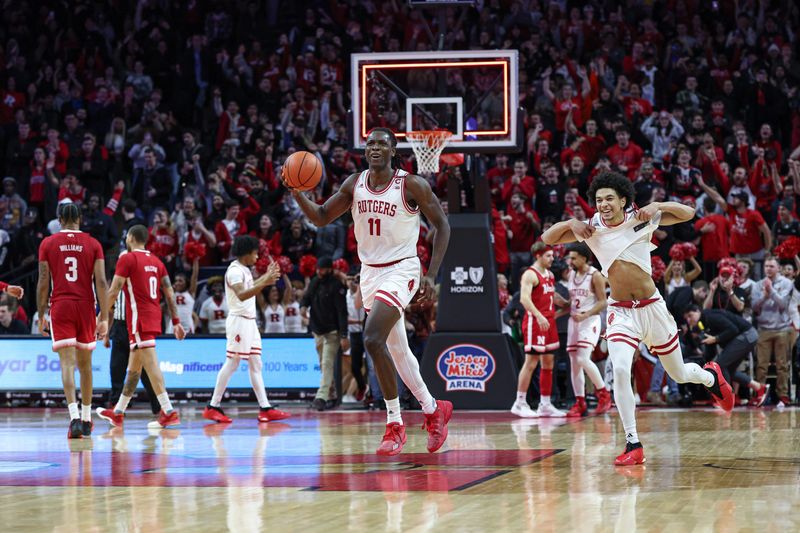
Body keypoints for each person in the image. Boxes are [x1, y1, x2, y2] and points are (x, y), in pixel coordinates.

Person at [542, 171, 734, 466]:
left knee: (679, 373)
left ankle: (710, 376)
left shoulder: (641, 217)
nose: (603, 204)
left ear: (622, 200)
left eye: (609, 199)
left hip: (652, 308)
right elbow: (547, 238)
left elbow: (688, 213)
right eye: (598, 199)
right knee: (620, 369)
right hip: (620, 310)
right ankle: (633, 441)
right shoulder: (591, 227)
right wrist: (570, 223)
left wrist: (659, 205)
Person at [285, 128, 452, 456]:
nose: (375, 148)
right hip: (370, 273)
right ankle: (434, 410)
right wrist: (297, 193)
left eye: (382, 144)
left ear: (393, 150)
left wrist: (431, 276)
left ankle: (395, 423)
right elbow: (320, 218)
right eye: (371, 144)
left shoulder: (412, 184)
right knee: (398, 352)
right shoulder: (354, 183)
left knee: (373, 339)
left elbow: (442, 226)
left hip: (402, 268)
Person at [96, 224, 185, 429]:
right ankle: (118, 412)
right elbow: (170, 293)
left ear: (129, 238)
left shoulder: (126, 258)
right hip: (153, 316)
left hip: (139, 319)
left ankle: (168, 410)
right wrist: (176, 322)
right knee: (134, 369)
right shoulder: (156, 261)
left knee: (151, 364)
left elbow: (114, 290)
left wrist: (101, 318)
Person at [36, 202, 109, 438]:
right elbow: (101, 282)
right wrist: (105, 316)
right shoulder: (93, 243)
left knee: (67, 364)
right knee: (85, 365)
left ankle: (74, 417)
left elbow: (43, 281)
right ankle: (87, 419)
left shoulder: (48, 243)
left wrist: (41, 314)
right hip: (86, 306)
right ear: (80, 219)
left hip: (61, 306)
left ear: (59, 219)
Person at [203, 235, 290, 424]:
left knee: (256, 363)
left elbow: (251, 288)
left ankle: (265, 407)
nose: (257, 257)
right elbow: (242, 294)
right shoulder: (234, 271)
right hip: (239, 321)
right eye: (255, 254)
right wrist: (265, 279)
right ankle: (212, 406)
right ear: (246, 253)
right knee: (233, 363)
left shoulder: (246, 270)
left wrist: (265, 278)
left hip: (250, 322)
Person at [511, 242, 567, 418]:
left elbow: (551, 295)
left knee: (549, 363)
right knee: (531, 362)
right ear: (538, 256)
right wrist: (539, 316)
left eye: (552, 255)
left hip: (549, 322)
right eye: (548, 256)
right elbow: (525, 299)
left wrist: (565, 304)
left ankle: (545, 403)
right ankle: (519, 403)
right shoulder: (530, 274)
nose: (552, 258)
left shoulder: (549, 274)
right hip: (535, 323)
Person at [104, 253, 161, 415]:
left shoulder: (137, 281)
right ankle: (116, 404)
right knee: (116, 367)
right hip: (119, 327)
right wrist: (107, 333)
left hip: (134, 325)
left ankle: (157, 405)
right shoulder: (115, 282)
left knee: (143, 370)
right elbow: (111, 309)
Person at [683, 305, 769, 406]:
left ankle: (726, 399)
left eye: (690, 315)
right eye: (686, 318)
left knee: (720, 365)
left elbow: (733, 329)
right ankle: (760, 388)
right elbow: (712, 350)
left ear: (698, 311)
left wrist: (715, 339)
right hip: (747, 336)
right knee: (729, 370)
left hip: (747, 335)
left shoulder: (710, 316)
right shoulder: (704, 322)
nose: (689, 320)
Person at [564, 242, 612, 417]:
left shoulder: (595, 275)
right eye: (570, 257)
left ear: (584, 258)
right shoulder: (571, 275)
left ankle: (604, 394)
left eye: (574, 257)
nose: (570, 260)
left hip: (590, 320)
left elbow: (602, 302)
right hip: (574, 321)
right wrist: (560, 305)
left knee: (583, 359)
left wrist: (585, 315)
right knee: (574, 364)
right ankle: (580, 402)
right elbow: (572, 301)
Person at [300, 256, 349, 411]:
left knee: (327, 363)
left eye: (322, 269)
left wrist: (343, 335)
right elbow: (307, 297)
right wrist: (302, 306)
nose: (319, 271)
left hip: (332, 332)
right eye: (318, 269)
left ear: (329, 269)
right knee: (323, 365)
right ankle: (333, 395)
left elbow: (342, 312)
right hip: (317, 330)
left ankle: (321, 397)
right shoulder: (315, 281)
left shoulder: (336, 286)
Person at [165, 259, 199, 335]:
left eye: (180, 281)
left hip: (187, 326)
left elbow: (195, 276)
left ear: (186, 282)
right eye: (176, 281)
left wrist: (195, 259)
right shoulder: (171, 293)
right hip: (173, 326)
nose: (177, 283)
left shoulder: (190, 293)